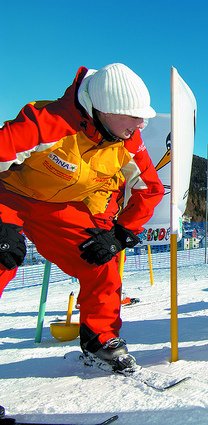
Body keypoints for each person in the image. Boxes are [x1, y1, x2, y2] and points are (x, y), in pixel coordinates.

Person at [0, 64, 164, 370]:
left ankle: (99, 340)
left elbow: (150, 188)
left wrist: (120, 233)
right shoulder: (48, 122)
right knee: (2, 260)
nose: (141, 124)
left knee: (101, 260)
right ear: (104, 109)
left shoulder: (126, 141)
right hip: (10, 194)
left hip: (61, 207)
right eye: (134, 115)